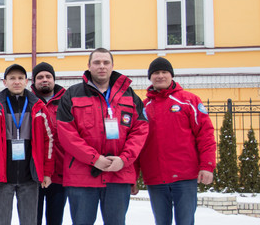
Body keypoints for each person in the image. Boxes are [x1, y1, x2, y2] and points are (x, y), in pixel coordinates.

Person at [56, 48, 149, 225]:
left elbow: (140, 130)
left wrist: (124, 159)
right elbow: (66, 133)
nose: (101, 66)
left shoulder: (129, 95)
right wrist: (94, 158)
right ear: (89, 66)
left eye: (106, 63)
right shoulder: (72, 95)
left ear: (112, 66)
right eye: (97, 62)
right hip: (82, 176)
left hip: (118, 174)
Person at [132, 57, 216, 225]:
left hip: (184, 177)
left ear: (171, 75)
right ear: (150, 77)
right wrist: (133, 177)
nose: (160, 76)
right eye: (156, 73)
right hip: (156, 178)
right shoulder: (143, 107)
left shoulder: (189, 101)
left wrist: (207, 166)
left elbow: (205, 135)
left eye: (164, 72)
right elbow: (136, 144)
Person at [0, 64, 54, 225]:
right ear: (4, 82)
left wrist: (47, 171)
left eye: (20, 78)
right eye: (12, 78)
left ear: (26, 81)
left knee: (29, 221)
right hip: (2, 177)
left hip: (30, 176)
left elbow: (49, 140)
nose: (17, 82)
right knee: (0, 221)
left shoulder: (38, 107)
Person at [30, 62, 67, 225]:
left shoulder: (67, 101)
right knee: (33, 219)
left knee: (55, 219)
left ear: (54, 79)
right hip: (33, 174)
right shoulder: (27, 101)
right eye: (40, 77)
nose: (44, 80)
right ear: (34, 81)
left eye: (48, 76)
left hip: (59, 172)